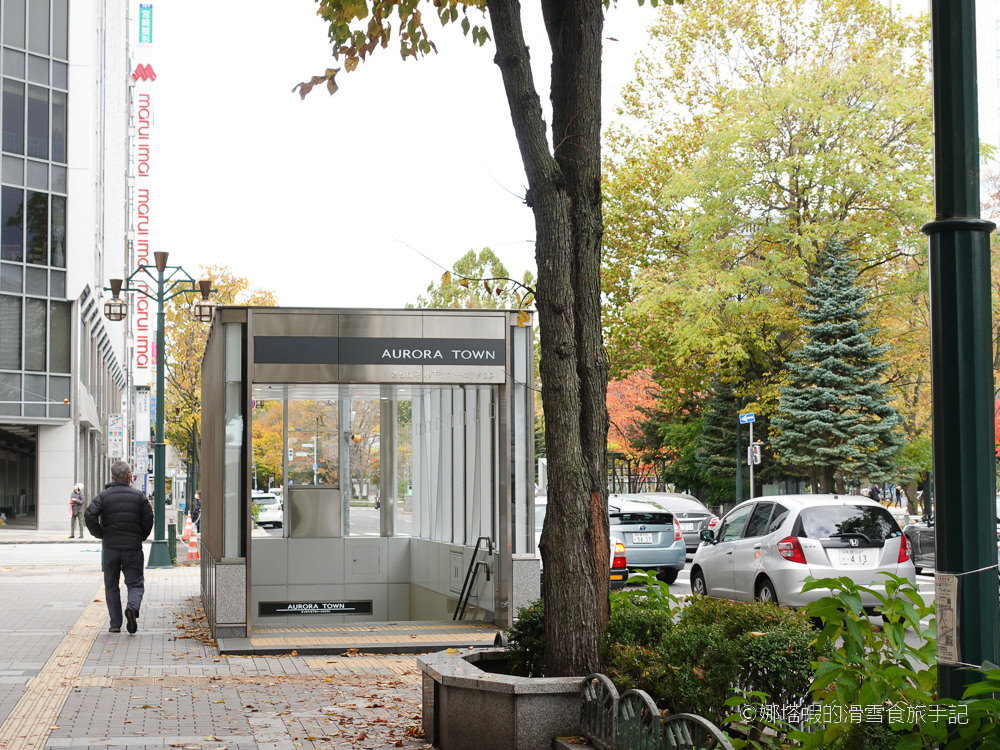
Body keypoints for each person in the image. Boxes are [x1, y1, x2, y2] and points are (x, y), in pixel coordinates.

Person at [85, 460, 154, 634]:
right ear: (129, 476)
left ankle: (115, 624)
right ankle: (132, 607)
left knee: (111, 585)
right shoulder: (139, 497)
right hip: (132, 547)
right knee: (135, 582)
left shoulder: (103, 496)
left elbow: (89, 514)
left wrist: (101, 533)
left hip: (111, 548)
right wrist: (141, 536)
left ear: (112, 477)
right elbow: (148, 519)